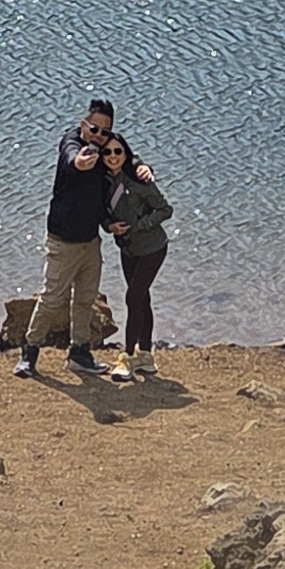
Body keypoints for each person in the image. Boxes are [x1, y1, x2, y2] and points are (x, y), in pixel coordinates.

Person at [17, 99, 118, 378]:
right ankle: (29, 352)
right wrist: (81, 161)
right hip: (63, 241)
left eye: (104, 132)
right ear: (84, 125)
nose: (98, 136)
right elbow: (72, 158)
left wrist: (142, 169)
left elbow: (125, 160)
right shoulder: (71, 143)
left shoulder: (107, 148)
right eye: (94, 129)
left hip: (90, 241)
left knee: (85, 300)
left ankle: (80, 353)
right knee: (51, 299)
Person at [100, 134, 172, 384]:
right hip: (128, 249)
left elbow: (165, 210)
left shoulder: (139, 180)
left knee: (133, 296)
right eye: (107, 153)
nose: (112, 157)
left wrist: (139, 225)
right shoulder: (102, 181)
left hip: (152, 247)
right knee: (142, 297)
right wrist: (110, 227)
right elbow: (102, 212)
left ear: (126, 153)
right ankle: (146, 354)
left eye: (117, 152)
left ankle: (128, 357)